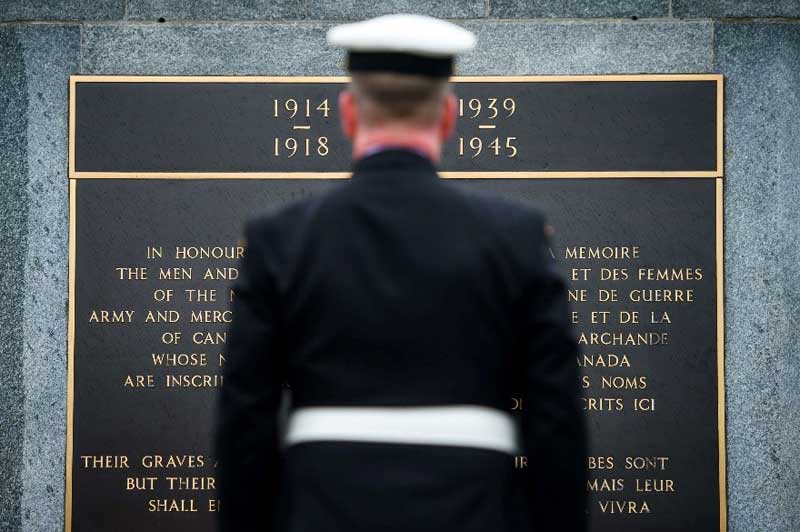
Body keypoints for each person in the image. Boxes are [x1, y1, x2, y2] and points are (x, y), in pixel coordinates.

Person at [213, 13, 587, 532]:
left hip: (322, 508)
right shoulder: (516, 236)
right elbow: (556, 417)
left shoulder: (280, 237)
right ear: (449, 116)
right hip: (476, 507)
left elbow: (245, 418)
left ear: (347, 113)